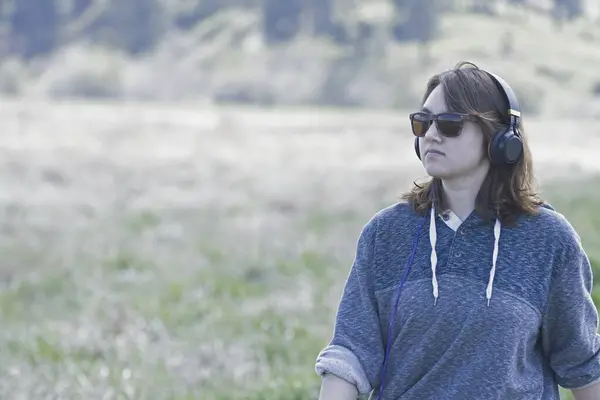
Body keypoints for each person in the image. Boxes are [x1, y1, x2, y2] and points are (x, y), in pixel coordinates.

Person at [314, 61, 600, 400]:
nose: (432, 134)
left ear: (499, 138)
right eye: (423, 123)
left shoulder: (548, 240)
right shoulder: (385, 233)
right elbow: (351, 352)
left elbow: (582, 363)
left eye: (450, 124)